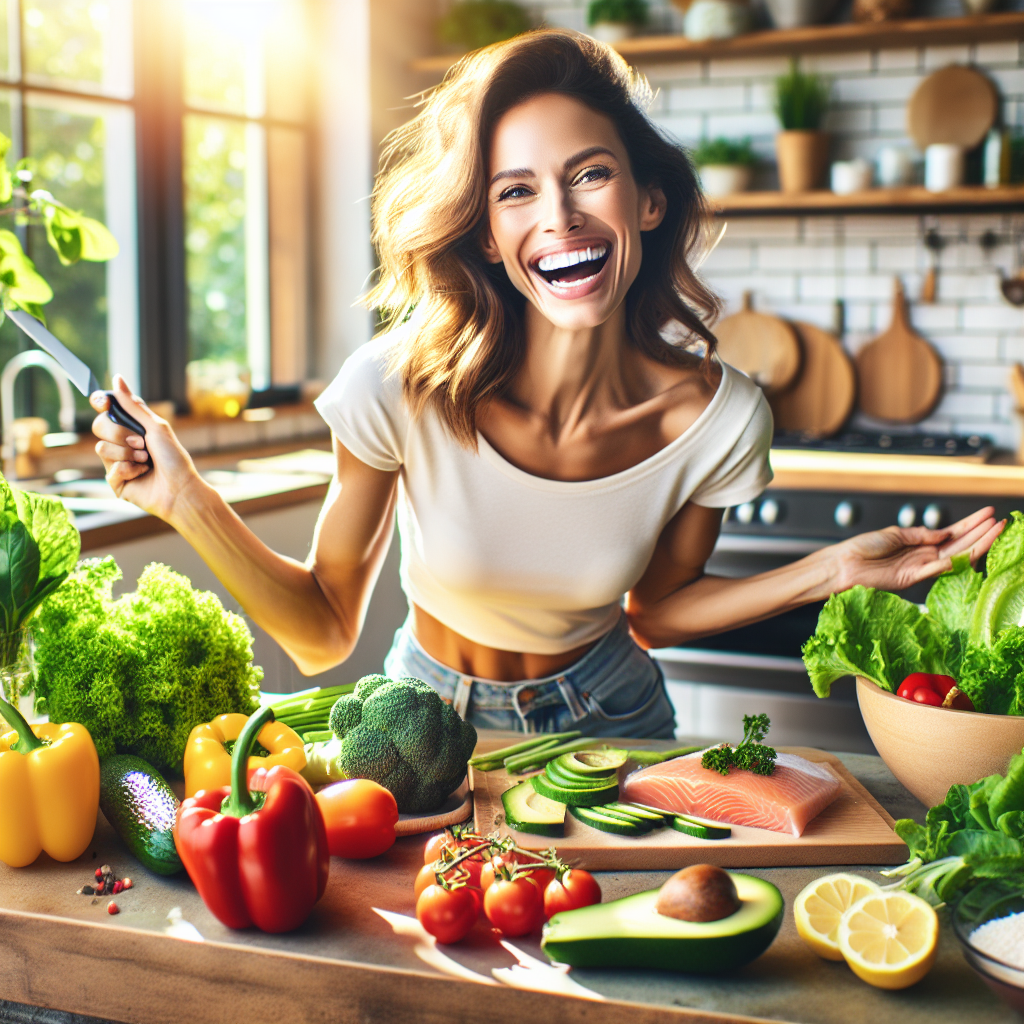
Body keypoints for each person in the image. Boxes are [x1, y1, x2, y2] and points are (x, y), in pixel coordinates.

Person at [90, 30, 1002, 740]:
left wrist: (831, 572)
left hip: (613, 716)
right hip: (420, 721)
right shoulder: (396, 386)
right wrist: (186, 499)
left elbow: (656, 613)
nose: (560, 216)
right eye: (515, 191)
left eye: (590, 175)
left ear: (647, 201)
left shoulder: (718, 419)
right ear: (488, 237)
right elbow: (323, 631)